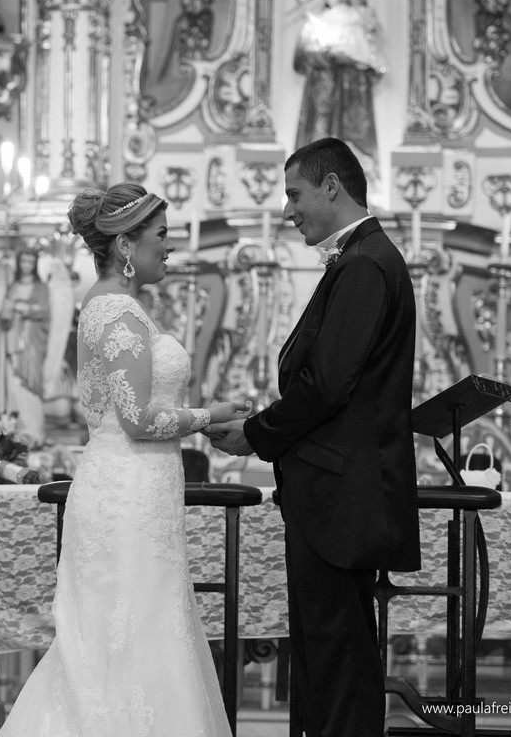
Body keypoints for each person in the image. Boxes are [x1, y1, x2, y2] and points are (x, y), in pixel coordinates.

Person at [0, 184, 249, 735]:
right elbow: (137, 420)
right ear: (126, 245)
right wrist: (208, 415)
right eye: (162, 235)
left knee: (137, 640)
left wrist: (199, 420)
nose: (170, 246)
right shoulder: (116, 311)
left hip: (138, 491)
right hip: (127, 497)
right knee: (128, 642)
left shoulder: (117, 307)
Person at [205, 137, 420, 737]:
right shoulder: (361, 260)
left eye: (295, 194)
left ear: (332, 186)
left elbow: (327, 384)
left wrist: (257, 433)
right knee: (325, 666)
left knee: (340, 669)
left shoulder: (365, 264)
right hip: (333, 495)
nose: (288, 209)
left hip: (341, 501)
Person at [294, 0, 382, 163]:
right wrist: (330, 56)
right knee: (320, 135)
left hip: (354, 86)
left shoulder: (359, 23)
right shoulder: (315, 24)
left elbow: (373, 59)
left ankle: (359, 170)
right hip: (323, 86)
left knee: (355, 133)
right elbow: (301, 60)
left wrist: (357, 60)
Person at [0, 245, 51, 439]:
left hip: (32, 343)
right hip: (13, 341)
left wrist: (23, 308)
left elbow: (44, 311)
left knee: (31, 382)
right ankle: (18, 429)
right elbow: (4, 317)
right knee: (14, 383)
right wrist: (6, 311)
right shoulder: (12, 286)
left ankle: (34, 430)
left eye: (31, 261)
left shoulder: (41, 288)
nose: (27, 265)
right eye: (24, 261)